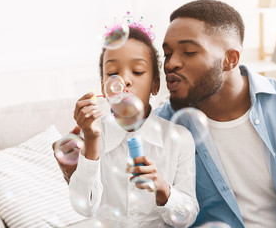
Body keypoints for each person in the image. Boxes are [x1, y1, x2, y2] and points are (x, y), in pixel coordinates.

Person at [55, 0, 276, 228]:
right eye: (167, 54)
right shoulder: (163, 129)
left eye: (188, 53)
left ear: (230, 59)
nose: (171, 64)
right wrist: (78, 170)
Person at [62, 25, 199, 227]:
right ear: (103, 87)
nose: (124, 80)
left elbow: (187, 216)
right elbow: (85, 208)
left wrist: (163, 189)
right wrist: (90, 141)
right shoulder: (90, 134)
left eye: (137, 71)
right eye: (112, 73)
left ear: (155, 84)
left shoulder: (179, 138)